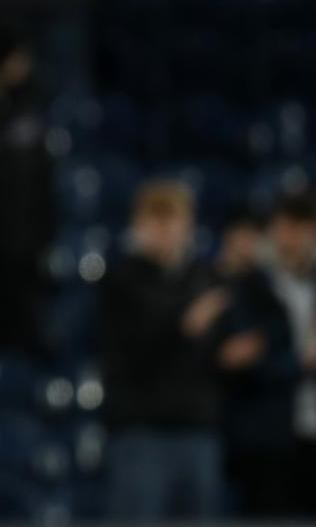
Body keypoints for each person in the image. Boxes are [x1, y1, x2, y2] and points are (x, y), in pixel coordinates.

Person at [219, 188, 316, 519]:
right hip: (269, 440)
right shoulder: (248, 289)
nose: (292, 237)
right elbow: (247, 364)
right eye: (285, 226)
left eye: (302, 227)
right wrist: (306, 361)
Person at [99, 180, 226, 522]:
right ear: (138, 225)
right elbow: (129, 351)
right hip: (142, 432)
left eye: (172, 220)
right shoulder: (120, 279)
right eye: (156, 219)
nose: (164, 229)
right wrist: (184, 326)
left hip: (198, 427)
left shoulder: (203, 277)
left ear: (188, 226)